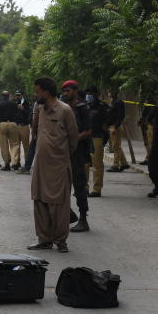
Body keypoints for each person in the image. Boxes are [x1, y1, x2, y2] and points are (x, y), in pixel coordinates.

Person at [29, 77, 80, 252]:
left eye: (38, 91)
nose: (36, 95)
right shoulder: (39, 108)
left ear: (46, 91)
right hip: (41, 165)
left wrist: (60, 155)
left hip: (59, 166)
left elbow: (74, 140)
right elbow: (35, 132)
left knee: (59, 204)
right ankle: (44, 239)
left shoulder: (65, 110)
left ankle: (60, 241)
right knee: (40, 201)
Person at [60, 80, 90, 233]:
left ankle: (83, 218)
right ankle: (69, 214)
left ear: (75, 91)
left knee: (79, 185)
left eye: (69, 91)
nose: (66, 94)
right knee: (62, 186)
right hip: (63, 152)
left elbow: (89, 130)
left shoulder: (82, 108)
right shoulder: (62, 108)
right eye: (64, 92)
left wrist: (75, 138)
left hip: (78, 152)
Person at [82, 85, 109, 197]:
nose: (89, 95)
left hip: (97, 137)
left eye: (91, 93)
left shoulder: (102, 107)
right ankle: (84, 188)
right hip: (85, 138)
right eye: (88, 93)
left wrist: (104, 137)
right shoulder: (84, 106)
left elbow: (107, 122)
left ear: (96, 94)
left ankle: (97, 189)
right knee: (85, 164)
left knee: (97, 164)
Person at [0, 90, 21, 171]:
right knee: (14, 144)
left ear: (2, 96)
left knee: (4, 145)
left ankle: (7, 164)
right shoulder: (14, 104)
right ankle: (15, 162)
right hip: (13, 124)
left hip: (2, 124)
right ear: (9, 96)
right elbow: (18, 114)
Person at [107, 90, 128, 172]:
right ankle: (124, 163)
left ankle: (115, 165)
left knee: (116, 146)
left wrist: (116, 126)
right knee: (116, 145)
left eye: (110, 91)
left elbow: (121, 116)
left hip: (116, 127)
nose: (109, 93)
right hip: (113, 126)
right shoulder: (113, 102)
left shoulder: (119, 103)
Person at [14, 91, 31, 168]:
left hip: (24, 126)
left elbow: (29, 114)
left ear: (22, 95)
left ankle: (27, 163)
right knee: (16, 145)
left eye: (19, 95)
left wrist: (23, 109)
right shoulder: (14, 103)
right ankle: (17, 162)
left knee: (26, 146)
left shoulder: (26, 103)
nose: (17, 96)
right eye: (16, 95)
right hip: (16, 125)